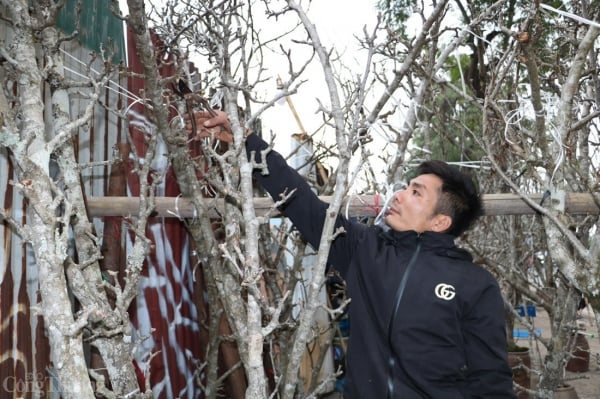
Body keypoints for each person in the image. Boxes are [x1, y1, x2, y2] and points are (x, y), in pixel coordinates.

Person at [187, 110, 516, 398]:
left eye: (415, 192)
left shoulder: (475, 284)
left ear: (440, 221)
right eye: (406, 186)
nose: (399, 195)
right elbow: (305, 205)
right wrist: (247, 142)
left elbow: (491, 380)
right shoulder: (367, 251)